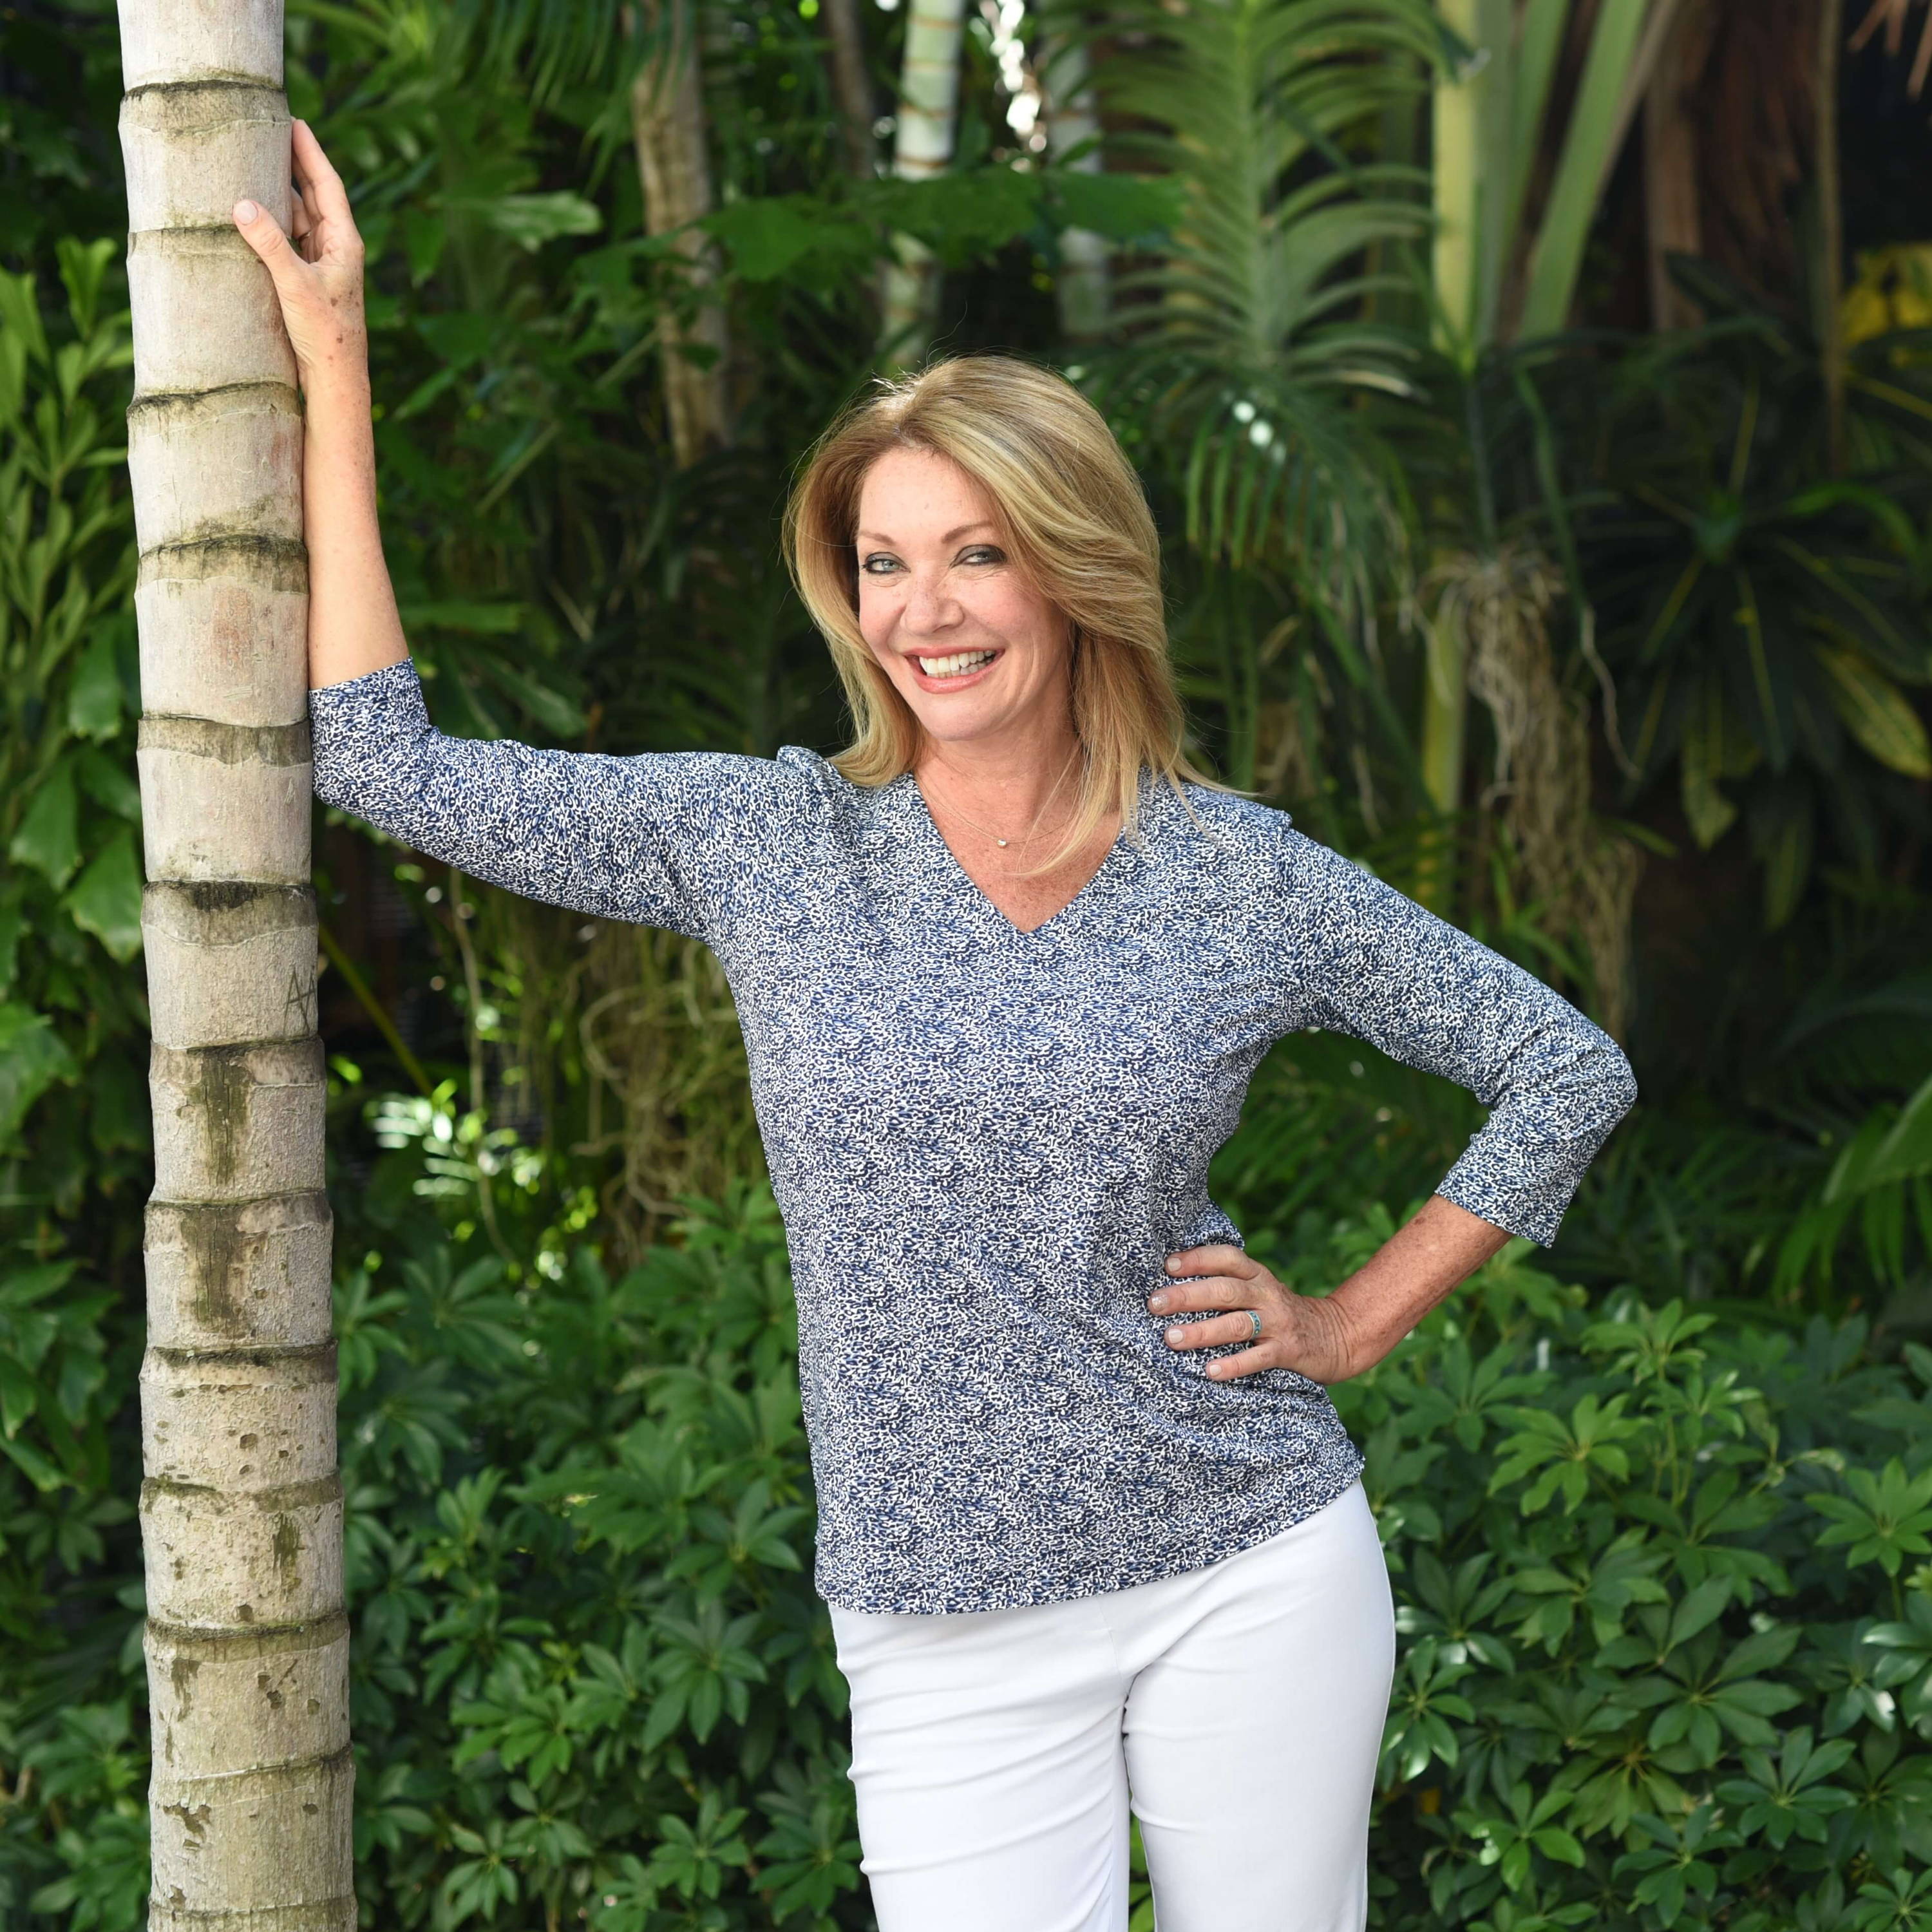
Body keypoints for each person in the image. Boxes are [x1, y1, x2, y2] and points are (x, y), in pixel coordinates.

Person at [236, 124, 1638, 1932]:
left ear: (1071, 570)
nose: (926, 612)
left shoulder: (1238, 875)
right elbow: (384, 763)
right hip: (939, 1609)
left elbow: (1562, 1064)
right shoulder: (771, 841)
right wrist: (333, 354)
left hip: (1250, 1564)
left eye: (976, 554)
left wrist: (1352, 1319)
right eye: (884, 564)